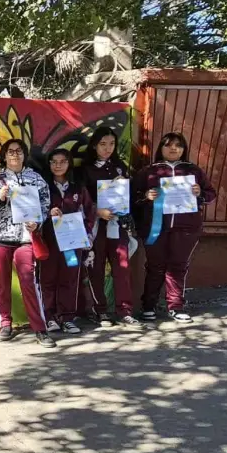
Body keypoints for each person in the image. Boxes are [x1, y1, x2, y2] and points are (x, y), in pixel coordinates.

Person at [133, 132, 218, 323]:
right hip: (155, 228)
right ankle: (148, 306)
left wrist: (200, 193)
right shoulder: (148, 172)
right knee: (155, 267)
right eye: (169, 145)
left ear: (184, 149)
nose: (173, 149)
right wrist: (146, 196)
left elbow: (211, 195)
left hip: (186, 228)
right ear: (160, 148)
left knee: (178, 267)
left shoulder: (193, 171)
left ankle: (176, 306)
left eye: (178, 146)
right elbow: (132, 199)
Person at [0, 138, 55, 347]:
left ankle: (40, 328)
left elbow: (45, 207)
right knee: (2, 282)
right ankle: (5, 323)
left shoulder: (36, 179)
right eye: (10, 151)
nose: (15, 154)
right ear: (4, 155)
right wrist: (0, 199)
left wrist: (37, 223)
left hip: (25, 239)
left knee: (29, 282)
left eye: (19, 151)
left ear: (24, 154)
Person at [78, 127, 143, 327]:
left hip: (118, 225)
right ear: (94, 145)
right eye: (103, 144)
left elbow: (128, 196)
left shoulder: (120, 167)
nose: (108, 148)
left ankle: (125, 311)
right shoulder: (84, 169)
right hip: (95, 227)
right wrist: (97, 211)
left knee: (122, 267)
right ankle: (101, 312)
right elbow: (79, 199)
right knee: (95, 268)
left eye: (112, 144)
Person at [40, 148, 93, 335]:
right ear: (49, 164)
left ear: (69, 163)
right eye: (54, 161)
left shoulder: (78, 188)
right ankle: (49, 317)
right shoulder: (43, 187)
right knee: (47, 279)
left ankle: (67, 318)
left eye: (62, 161)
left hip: (73, 242)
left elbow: (89, 213)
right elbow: (32, 212)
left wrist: (86, 235)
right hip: (49, 241)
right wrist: (48, 213)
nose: (58, 165)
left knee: (69, 279)